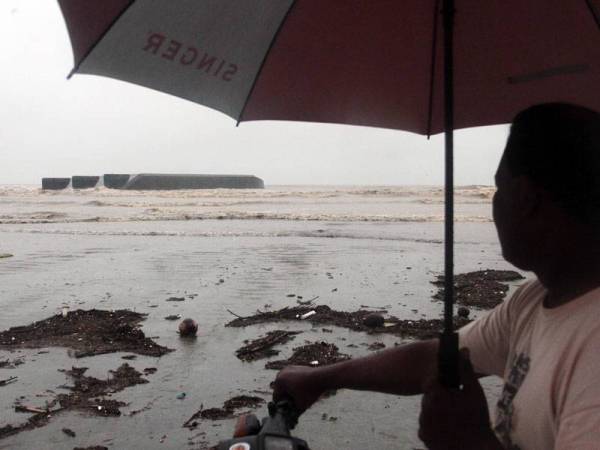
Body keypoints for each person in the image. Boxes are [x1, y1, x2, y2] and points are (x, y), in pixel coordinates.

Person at [273, 103, 600, 449]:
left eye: (498, 189)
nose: (495, 203)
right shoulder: (534, 300)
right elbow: (434, 358)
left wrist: (469, 442)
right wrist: (319, 378)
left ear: (525, 197)